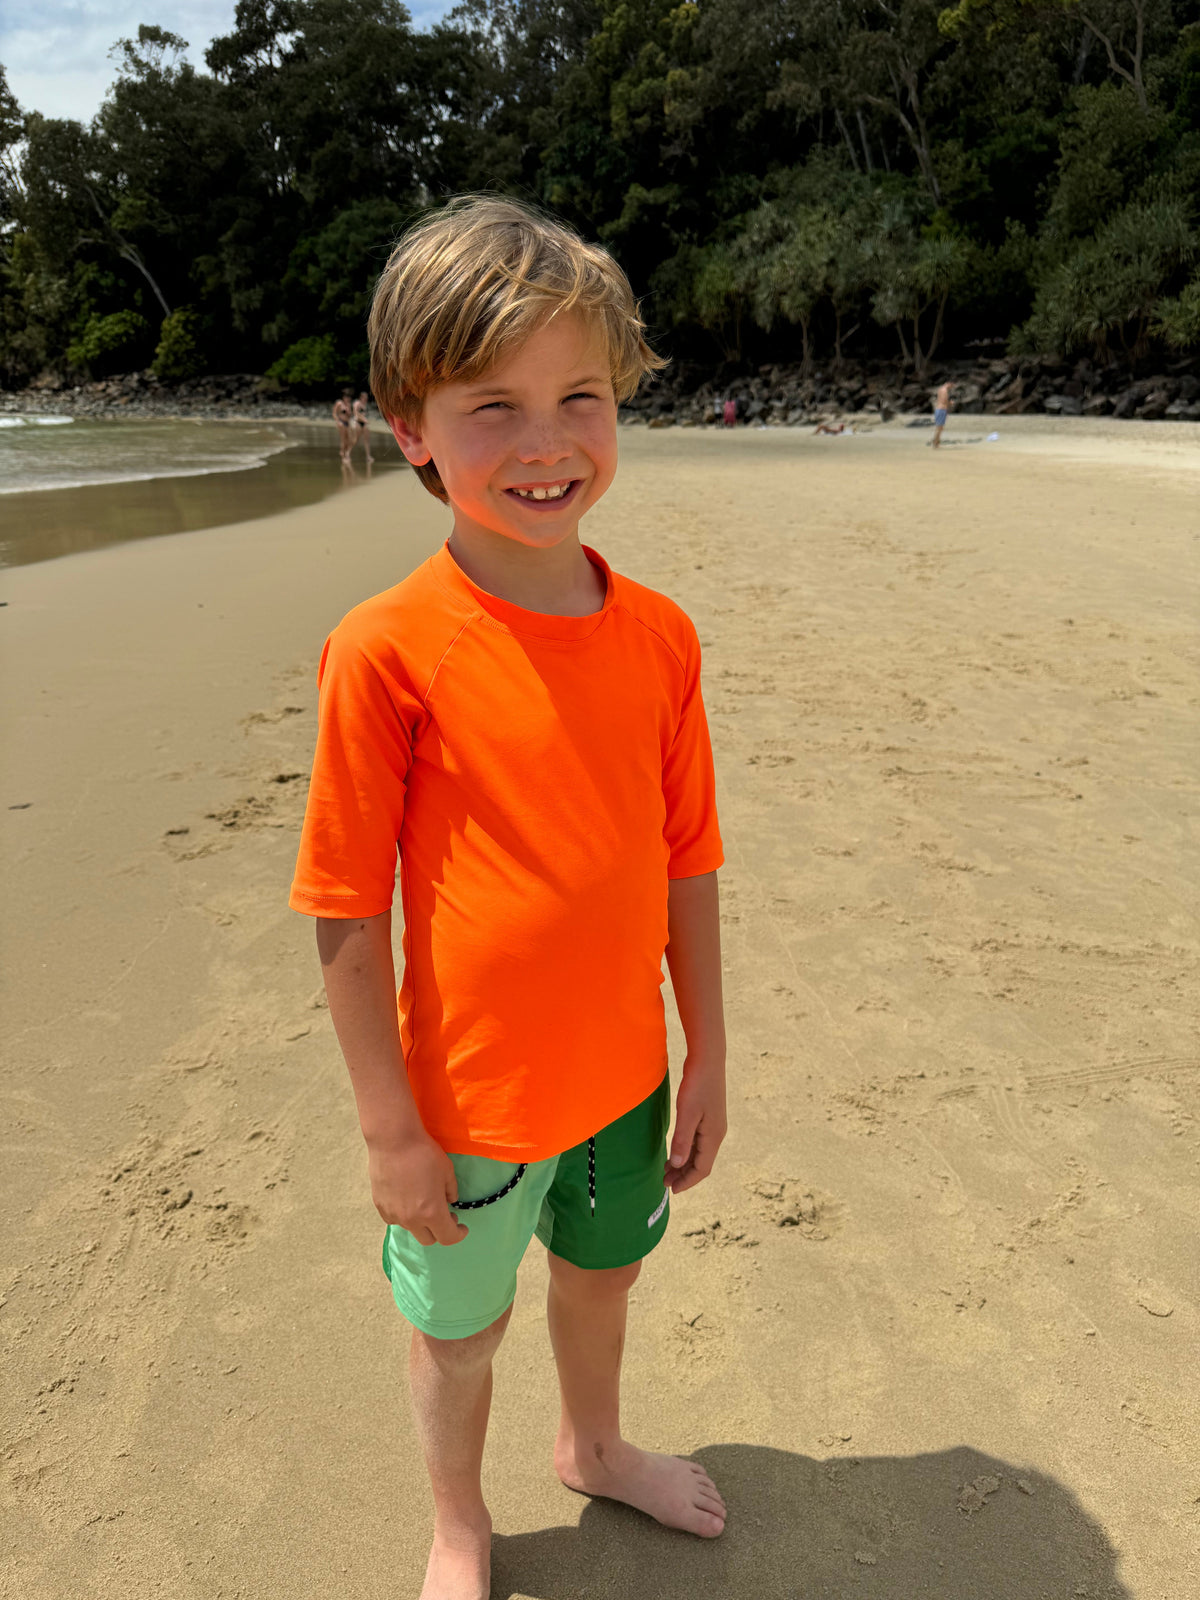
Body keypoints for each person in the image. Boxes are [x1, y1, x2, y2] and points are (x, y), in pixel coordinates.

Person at [289, 195, 728, 1600]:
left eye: (579, 396)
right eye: (493, 406)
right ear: (408, 426)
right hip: (466, 1102)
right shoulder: (387, 650)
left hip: (621, 1081)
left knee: (602, 1284)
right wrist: (388, 1131)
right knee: (459, 1334)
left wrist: (707, 1045)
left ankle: (594, 1444)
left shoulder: (660, 636)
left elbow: (687, 859)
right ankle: (460, 1525)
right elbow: (347, 907)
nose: (545, 442)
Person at [332, 388, 354, 461]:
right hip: (341, 422)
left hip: (347, 422)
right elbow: (334, 413)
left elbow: (350, 415)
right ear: (343, 397)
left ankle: (346, 453)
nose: (348, 398)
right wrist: (338, 421)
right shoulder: (339, 403)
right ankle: (343, 455)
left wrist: (348, 412)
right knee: (343, 439)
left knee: (350, 439)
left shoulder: (348, 404)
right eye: (347, 397)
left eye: (349, 397)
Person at [351, 389, 373, 463]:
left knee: (367, 440)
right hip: (358, 422)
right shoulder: (357, 403)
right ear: (361, 397)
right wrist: (364, 419)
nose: (366, 398)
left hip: (364, 423)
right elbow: (356, 413)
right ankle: (347, 453)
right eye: (365, 397)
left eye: (366, 397)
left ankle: (368, 456)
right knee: (356, 439)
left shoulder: (364, 405)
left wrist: (365, 420)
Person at [932, 379, 953, 448]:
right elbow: (944, 400)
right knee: (940, 427)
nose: (951, 387)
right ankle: (936, 443)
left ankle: (936, 442)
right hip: (942, 409)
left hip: (938, 409)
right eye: (951, 385)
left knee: (939, 427)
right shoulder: (945, 391)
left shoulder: (940, 389)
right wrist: (950, 403)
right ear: (948, 383)